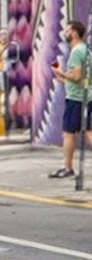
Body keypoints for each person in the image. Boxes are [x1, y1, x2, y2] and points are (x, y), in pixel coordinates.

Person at [49, 21, 92, 179]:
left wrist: (61, 72)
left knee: (68, 133)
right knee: (87, 131)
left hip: (76, 98)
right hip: (86, 96)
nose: (65, 32)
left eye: (68, 30)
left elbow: (77, 76)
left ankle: (67, 168)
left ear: (74, 33)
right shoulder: (86, 50)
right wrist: (65, 79)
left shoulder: (76, 52)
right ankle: (67, 167)